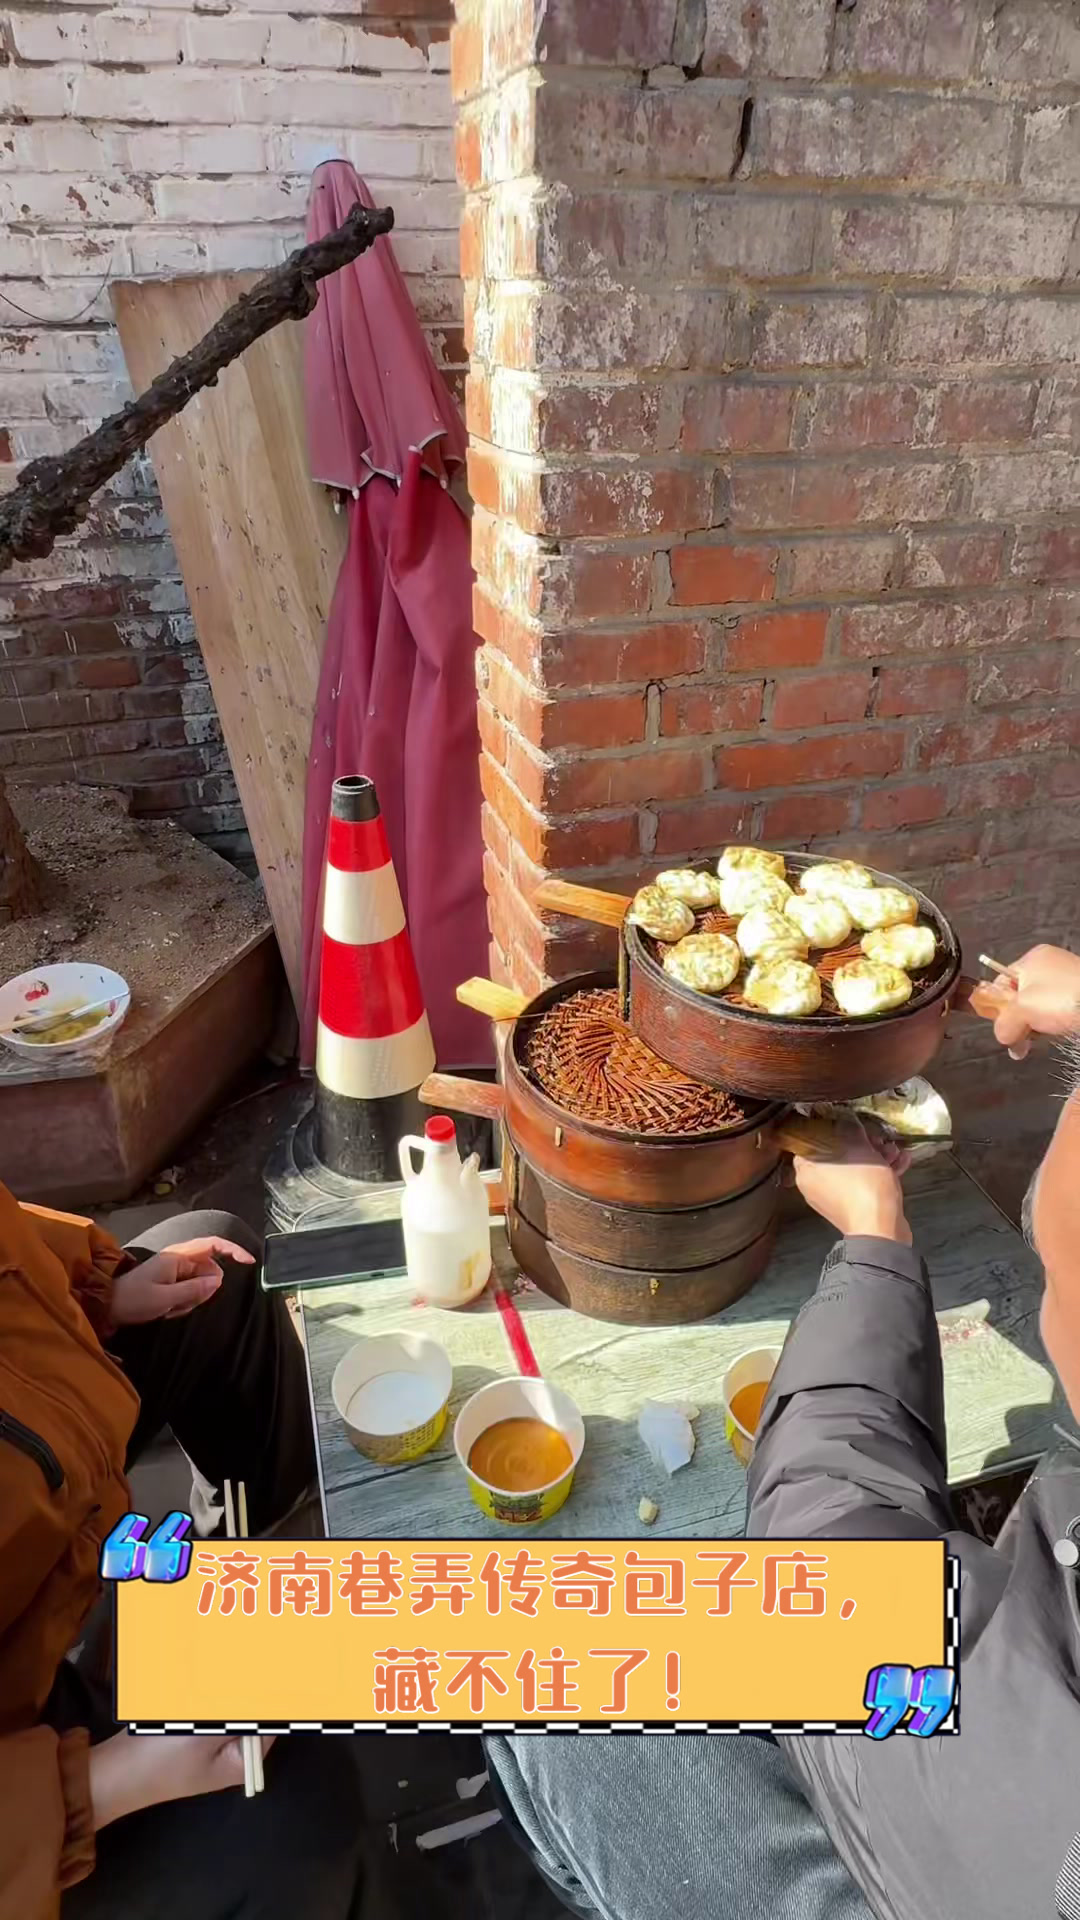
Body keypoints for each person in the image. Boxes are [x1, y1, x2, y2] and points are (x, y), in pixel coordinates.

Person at [486, 943, 1080, 1920]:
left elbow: (834, 1565)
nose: (1045, 1290)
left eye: (1053, 1272)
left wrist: (877, 1235)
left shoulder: (1039, 1808)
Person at [0, 1188, 365, 1920]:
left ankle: (255, 1541)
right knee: (292, 1812)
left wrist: (93, 1290)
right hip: (24, 1791)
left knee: (219, 1273)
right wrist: (103, 1782)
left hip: (39, 1466)